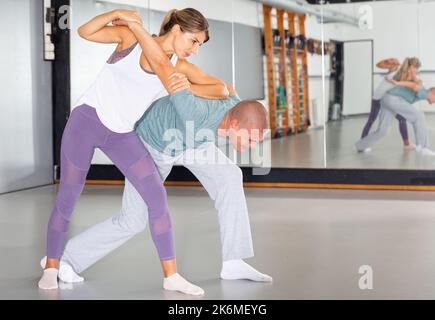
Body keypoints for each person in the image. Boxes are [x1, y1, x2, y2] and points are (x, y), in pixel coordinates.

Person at [40, 20, 273, 294]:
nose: (248, 148)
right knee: (133, 220)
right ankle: (66, 259)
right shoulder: (193, 112)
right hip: (155, 144)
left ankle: (234, 261)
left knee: (230, 175)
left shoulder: (236, 109)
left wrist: (217, 90)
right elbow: (170, 81)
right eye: (247, 140)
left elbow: (229, 90)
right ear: (233, 126)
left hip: (191, 141)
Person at [355, 79, 435, 154]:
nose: (433, 103)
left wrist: (416, 81)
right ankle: (422, 147)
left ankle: (360, 146)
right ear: (433, 93)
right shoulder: (424, 92)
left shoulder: (423, 91)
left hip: (387, 99)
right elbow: (414, 86)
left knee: (383, 131)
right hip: (393, 99)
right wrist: (398, 83)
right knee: (419, 116)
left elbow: (414, 85)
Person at [359, 58, 421, 150]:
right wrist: (390, 62)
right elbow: (379, 65)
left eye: (416, 69)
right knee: (371, 120)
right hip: (378, 98)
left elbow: (417, 83)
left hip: (387, 100)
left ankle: (406, 144)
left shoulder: (405, 75)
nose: (415, 71)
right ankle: (362, 144)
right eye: (413, 67)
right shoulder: (397, 72)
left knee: (402, 118)